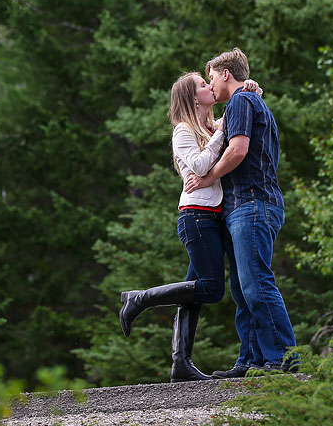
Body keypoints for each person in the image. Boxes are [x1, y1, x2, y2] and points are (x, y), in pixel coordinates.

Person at [118, 72, 261, 382]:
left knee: (192, 291)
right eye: (202, 85)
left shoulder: (210, 126)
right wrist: (220, 134)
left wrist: (250, 88)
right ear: (193, 98)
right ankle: (140, 298)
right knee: (211, 289)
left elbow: (239, 110)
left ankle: (181, 362)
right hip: (196, 216)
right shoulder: (183, 131)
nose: (210, 86)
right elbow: (199, 165)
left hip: (213, 217)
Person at [184, 47, 296, 377]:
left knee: (256, 284)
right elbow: (213, 131)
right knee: (243, 291)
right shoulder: (244, 101)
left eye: (212, 78)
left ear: (226, 74)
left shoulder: (241, 101)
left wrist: (208, 178)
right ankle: (250, 360)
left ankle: (282, 359)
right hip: (242, 207)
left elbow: (237, 150)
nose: (211, 85)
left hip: (253, 204)